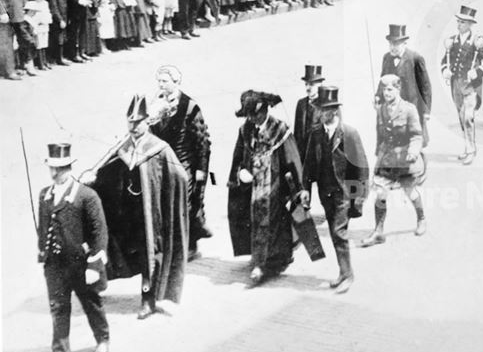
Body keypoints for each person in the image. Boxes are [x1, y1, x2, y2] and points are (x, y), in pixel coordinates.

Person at [88, 95, 189, 319]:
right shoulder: (123, 147)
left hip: (151, 215)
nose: (133, 127)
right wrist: (93, 180)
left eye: (138, 122)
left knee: (150, 256)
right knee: (121, 249)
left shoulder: (159, 148)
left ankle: (148, 300)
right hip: (128, 214)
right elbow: (107, 172)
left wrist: (167, 194)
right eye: (130, 123)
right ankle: (99, 282)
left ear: (147, 122)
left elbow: (179, 175)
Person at [35, 143, 110, 352]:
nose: (54, 173)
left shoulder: (86, 196)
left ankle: (103, 338)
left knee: (90, 302)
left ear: (69, 168)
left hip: (80, 264)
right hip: (54, 266)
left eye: (59, 169)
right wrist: (42, 252)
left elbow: (100, 232)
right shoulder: (45, 195)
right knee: (58, 308)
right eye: (52, 169)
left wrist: (95, 265)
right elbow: (43, 226)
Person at [227, 90, 315, 287]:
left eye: (256, 114)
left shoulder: (280, 130)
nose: (253, 119)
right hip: (253, 185)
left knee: (273, 220)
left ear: (265, 110)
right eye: (249, 115)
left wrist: (299, 187)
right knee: (255, 220)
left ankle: (262, 264)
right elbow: (238, 156)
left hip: (276, 184)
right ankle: (265, 258)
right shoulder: (245, 130)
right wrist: (240, 173)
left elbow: (292, 158)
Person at [302, 86, 369, 291]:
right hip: (326, 194)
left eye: (322, 110)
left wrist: (358, 199)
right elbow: (309, 165)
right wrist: (306, 190)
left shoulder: (348, 133)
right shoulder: (316, 134)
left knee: (339, 232)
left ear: (333, 111)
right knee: (334, 233)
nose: (319, 114)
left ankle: (348, 275)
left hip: (344, 194)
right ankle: (343, 272)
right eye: (318, 110)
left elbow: (361, 168)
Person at [150, 65, 212, 260]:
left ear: (176, 82)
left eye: (165, 81)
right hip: (163, 163)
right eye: (159, 81)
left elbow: (202, 142)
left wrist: (201, 171)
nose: (161, 85)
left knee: (186, 205)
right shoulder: (156, 103)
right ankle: (170, 244)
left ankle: (189, 246)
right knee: (165, 204)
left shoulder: (190, 107)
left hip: (184, 165)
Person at [361, 74, 428, 247]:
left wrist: (413, 151)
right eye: (384, 89)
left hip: (406, 160)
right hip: (388, 159)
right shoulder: (381, 109)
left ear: (398, 89)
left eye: (390, 89)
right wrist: (379, 155)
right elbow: (380, 135)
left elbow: (416, 135)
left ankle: (421, 219)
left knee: (410, 192)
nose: (386, 93)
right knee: (381, 194)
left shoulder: (409, 109)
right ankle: (378, 232)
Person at [441, 6, 483, 164]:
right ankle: (467, 147)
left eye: (462, 22)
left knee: (468, 117)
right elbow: (445, 61)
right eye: (458, 21)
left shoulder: (477, 42)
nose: (458, 25)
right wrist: (445, 70)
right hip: (456, 86)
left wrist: (477, 72)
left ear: (470, 24)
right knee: (461, 116)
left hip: (471, 87)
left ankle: (471, 150)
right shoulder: (453, 41)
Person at [379, 25, 432, 146]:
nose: (392, 47)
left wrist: (426, 111)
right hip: (392, 107)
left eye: (396, 44)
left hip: (412, 107)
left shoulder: (416, 59)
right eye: (390, 44)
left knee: (414, 141)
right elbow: (382, 81)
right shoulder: (387, 58)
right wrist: (378, 97)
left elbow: (425, 86)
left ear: (404, 43)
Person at [294, 64, 325, 161]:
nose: (308, 87)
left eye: (311, 84)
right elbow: (297, 133)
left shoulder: (327, 105)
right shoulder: (301, 104)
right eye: (306, 84)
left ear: (320, 85)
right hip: (302, 156)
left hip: (319, 157)